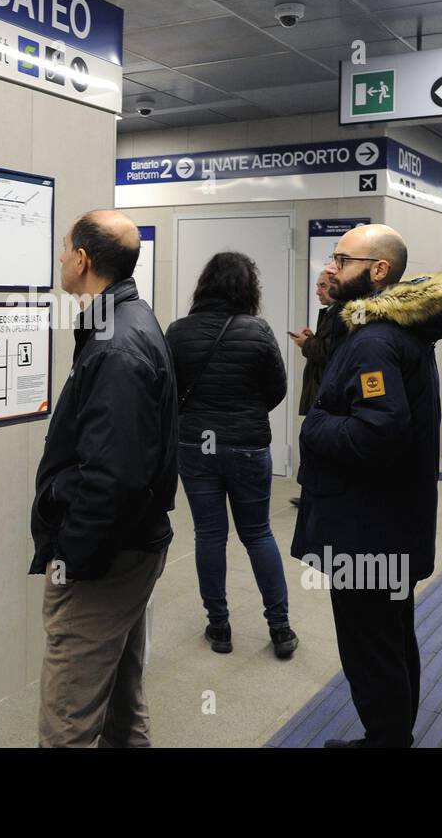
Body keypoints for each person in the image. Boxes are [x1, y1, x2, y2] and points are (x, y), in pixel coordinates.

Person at [290, 224, 442, 748]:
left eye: (341, 260)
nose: (330, 269)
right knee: (390, 636)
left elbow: (376, 433)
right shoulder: (388, 331)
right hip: (388, 524)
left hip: (368, 531)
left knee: (370, 644)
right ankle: (392, 736)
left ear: (377, 271)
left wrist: (313, 425)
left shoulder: (376, 342)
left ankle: (386, 740)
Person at [31, 209, 179, 747]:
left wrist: (72, 558)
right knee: (120, 699)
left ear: (84, 259)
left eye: (65, 247)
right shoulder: (125, 320)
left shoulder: (117, 345)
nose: (61, 257)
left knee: (69, 715)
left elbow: (112, 477)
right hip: (128, 548)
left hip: (104, 560)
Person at [166, 252, 298, 659]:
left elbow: (168, 390)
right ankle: (280, 629)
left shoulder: (178, 331)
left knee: (209, 535)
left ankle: (219, 627)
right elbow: (277, 389)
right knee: (257, 533)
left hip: (195, 446)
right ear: (248, 289)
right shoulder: (258, 331)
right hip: (247, 445)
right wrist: (245, 411)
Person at [288, 270, 346, 507]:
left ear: (335, 286)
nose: (317, 291)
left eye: (322, 286)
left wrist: (306, 344)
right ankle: (310, 494)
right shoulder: (331, 314)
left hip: (326, 392)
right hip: (319, 390)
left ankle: (315, 496)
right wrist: (313, 339)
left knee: (317, 445)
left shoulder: (341, 315)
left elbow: (329, 354)